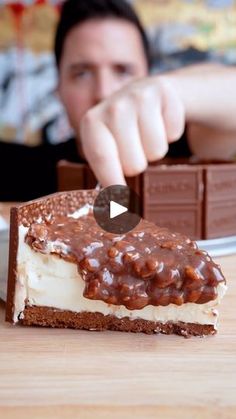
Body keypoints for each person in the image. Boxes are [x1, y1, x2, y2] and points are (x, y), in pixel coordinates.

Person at [56, 0, 236, 187]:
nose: (104, 93)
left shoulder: (185, 148)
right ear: (58, 87)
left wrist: (171, 90)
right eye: (82, 74)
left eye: (123, 71)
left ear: (146, 77)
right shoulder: (26, 167)